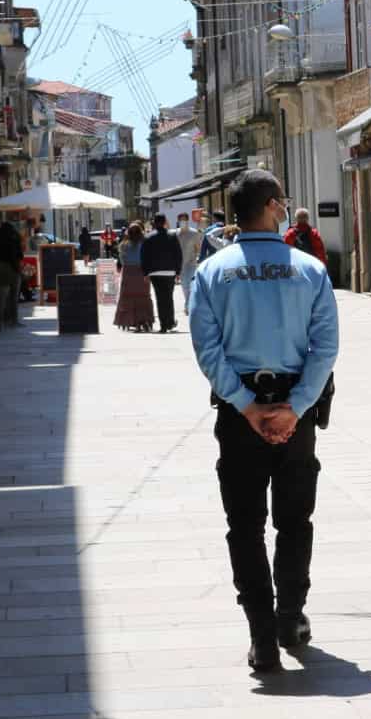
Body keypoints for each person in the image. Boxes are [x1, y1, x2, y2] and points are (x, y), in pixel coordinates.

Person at [189, 170, 338, 673]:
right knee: (294, 521)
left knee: (245, 525)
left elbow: (206, 348)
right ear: (274, 206)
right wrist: (296, 406)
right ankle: (290, 618)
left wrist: (246, 405)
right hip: (296, 412)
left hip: (239, 417)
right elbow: (326, 348)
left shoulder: (213, 272)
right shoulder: (309, 270)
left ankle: (261, 635)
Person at [141, 214, 183, 333]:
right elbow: (178, 254)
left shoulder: (148, 237)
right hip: (170, 271)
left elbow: (144, 256)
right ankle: (170, 322)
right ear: (165, 222)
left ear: (154, 223)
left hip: (155, 272)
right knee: (169, 297)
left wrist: (145, 273)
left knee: (160, 298)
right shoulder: (172, 236)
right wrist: (178, 271)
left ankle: (163, 325)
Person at [113, 222, 155, 332]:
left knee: (127, 297)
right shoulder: (145, 244)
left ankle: (128, 319)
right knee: (144, 296)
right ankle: (144, 319)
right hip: (142, 272)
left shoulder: (123, 245)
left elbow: (122, 260)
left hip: (128, 273)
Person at [0, 221, 24, 326]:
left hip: (1, 270)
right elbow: (18, 256)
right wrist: (18, 269)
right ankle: (13, 320)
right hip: (13, 270)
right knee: (14, 296)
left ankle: (5, 319)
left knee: (4, 296)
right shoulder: (14, 239)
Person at [176, 210, 204, 316]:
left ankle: (188, 306)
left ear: (188, 221)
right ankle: (188, 303)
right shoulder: (175, 234)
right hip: (180, 265)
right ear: (178, 221)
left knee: (190, 285)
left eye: (184, 220)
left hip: (191, 263)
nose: (182, 222)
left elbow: (198, 248)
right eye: (181, 220)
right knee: (184, 286)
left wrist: (197, 259)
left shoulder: (194, 233)